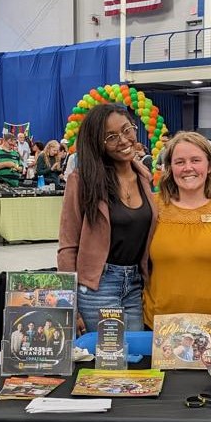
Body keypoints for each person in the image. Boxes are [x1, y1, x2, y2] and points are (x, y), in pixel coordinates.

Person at [57, 103, 157, 333]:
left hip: (134, 285)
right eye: (111, 137)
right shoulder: (82, 180)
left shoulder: (143, 177)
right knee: (106, 364)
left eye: (127, 130)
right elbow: (68, 245)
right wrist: (69, 303)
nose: (123, 140)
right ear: (97, 143)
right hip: (96, 286)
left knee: (134, 359)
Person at [143, 131, 211, 328]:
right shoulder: (152, 206)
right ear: (169, 168)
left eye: (195, 160)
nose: (188, 168)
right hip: (160, 329)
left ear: (209, 166)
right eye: (179, 162)